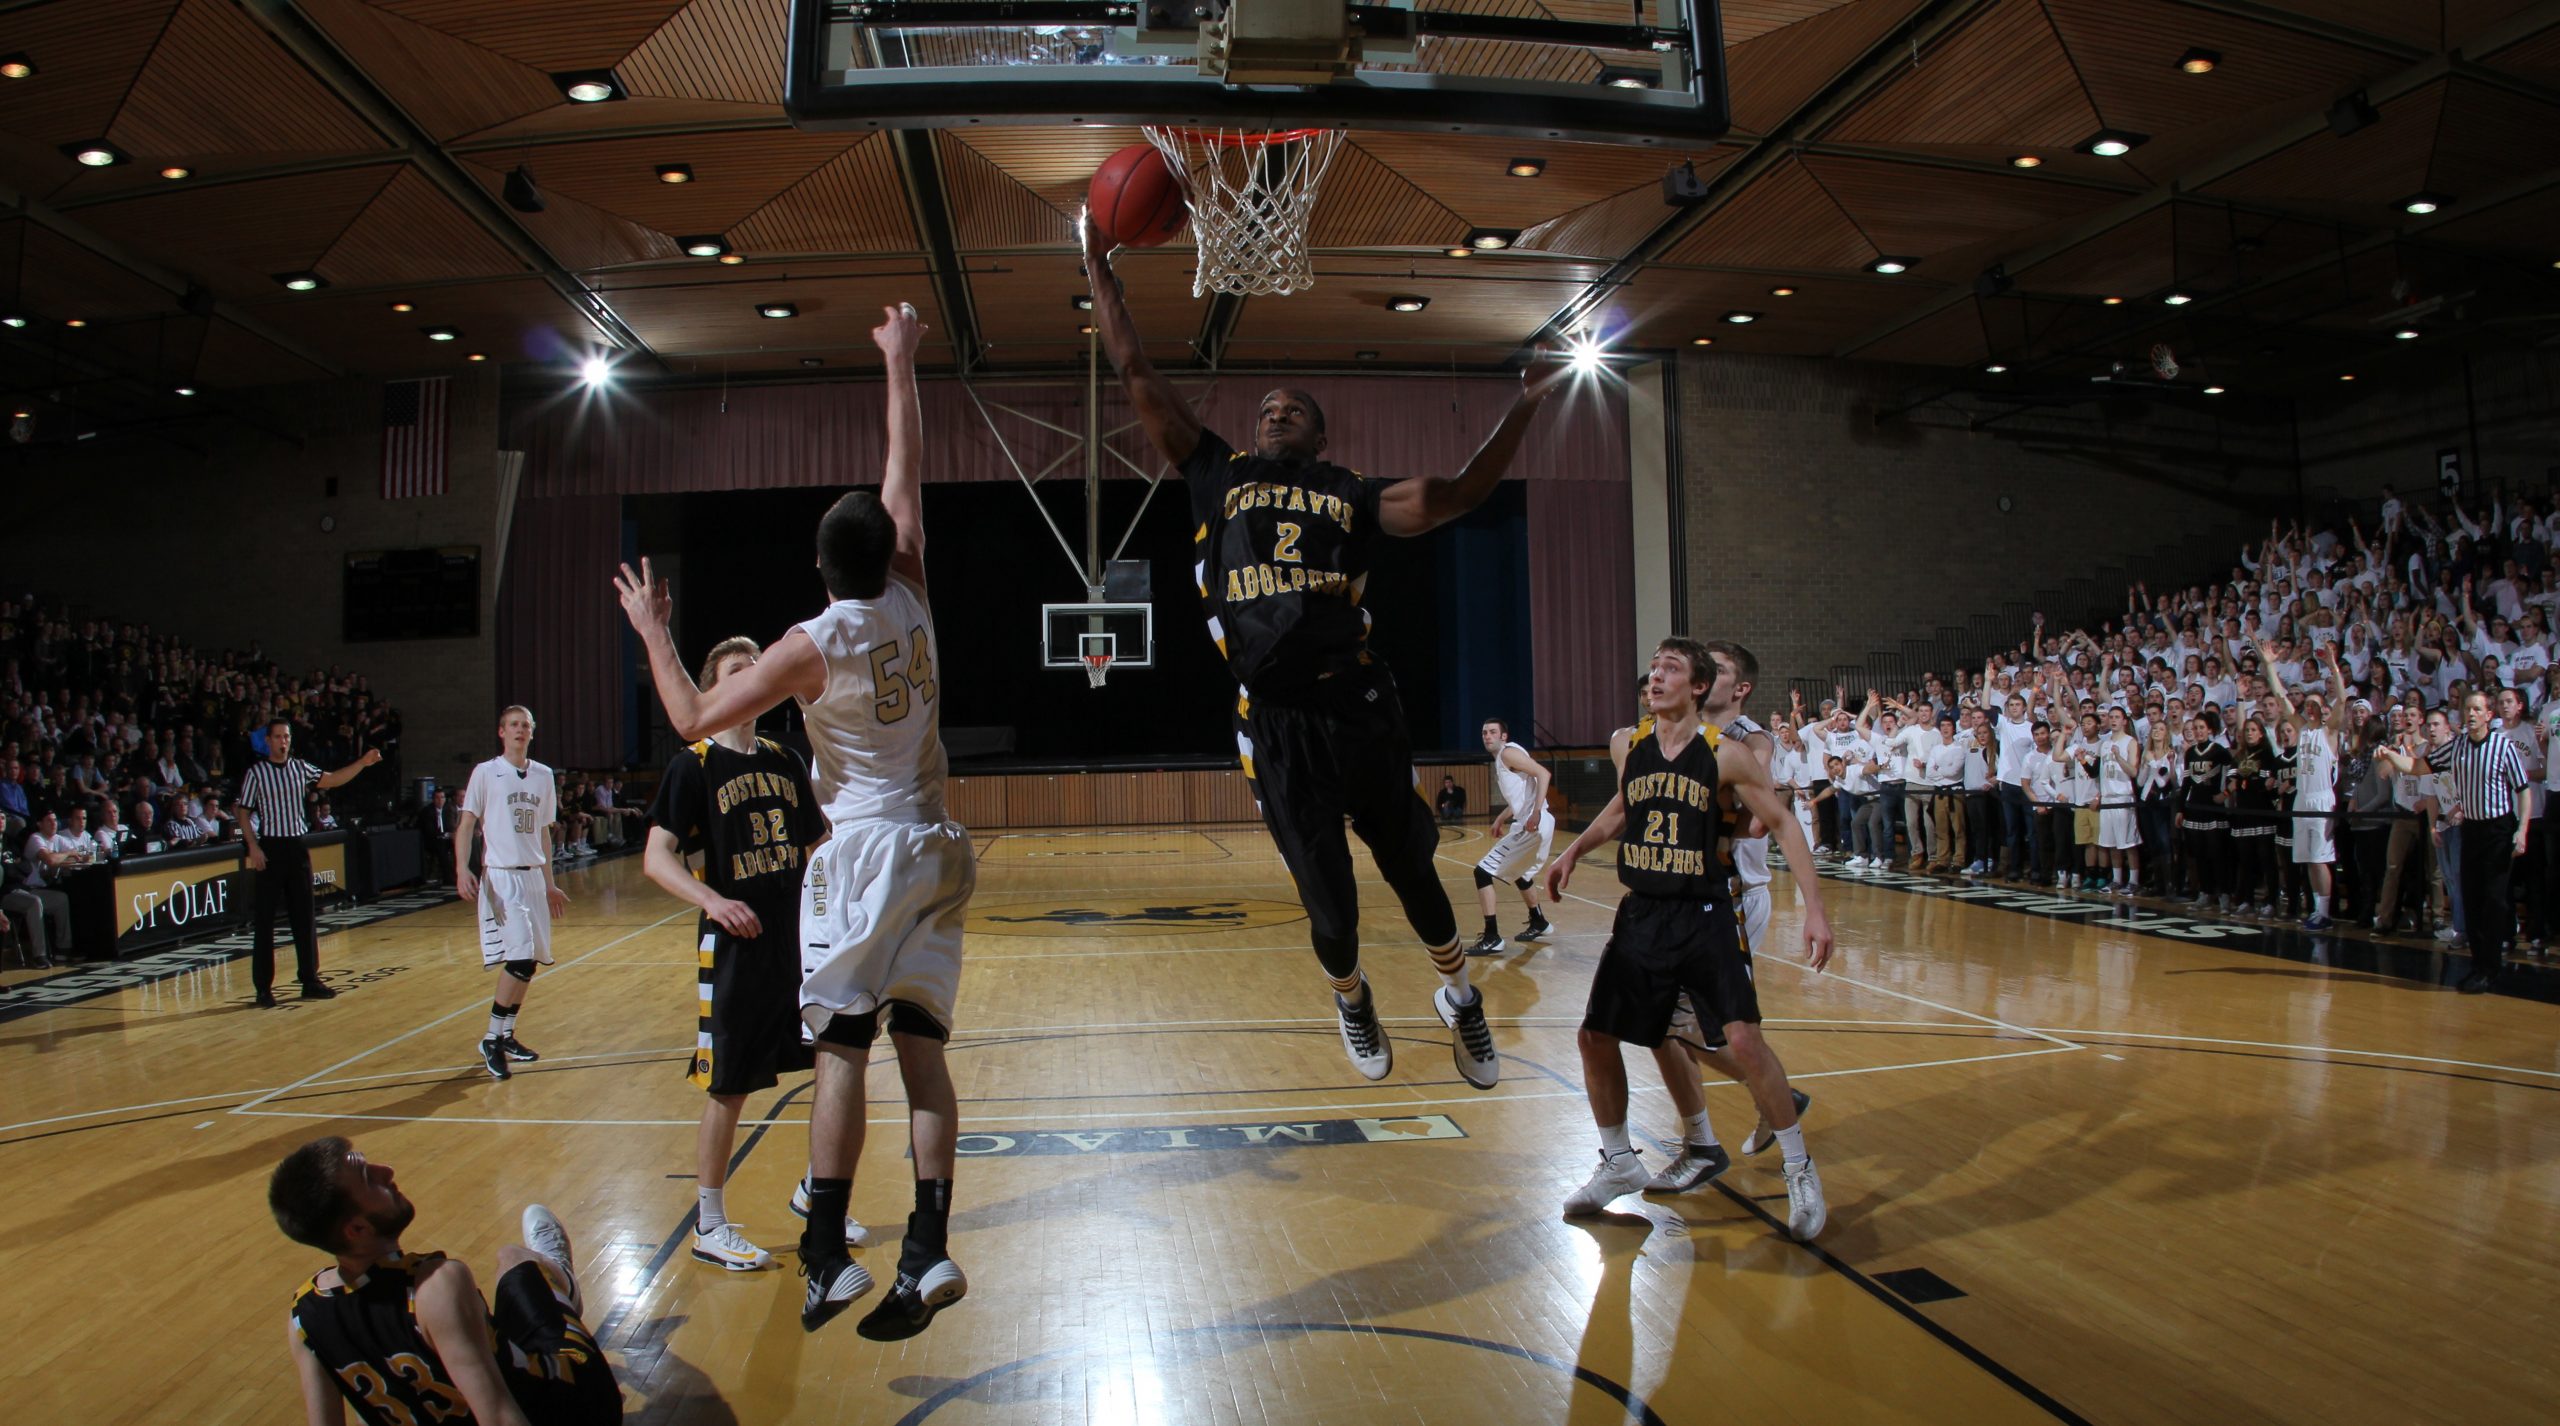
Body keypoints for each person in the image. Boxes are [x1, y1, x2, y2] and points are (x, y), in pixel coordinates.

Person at [1082, 211, 1566, 1093]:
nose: (1274, 413)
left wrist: (1522, 409)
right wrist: (1096, 265)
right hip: (1277, 722)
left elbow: (1458, 493)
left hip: (1360, 703)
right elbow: (1134, 369)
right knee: (1331, 907)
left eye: (1293, 409)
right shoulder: (1216, 474)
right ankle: (1351, 994)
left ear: (1320, 435)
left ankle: (1460, 997)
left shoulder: (1352, 495)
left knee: (1413, 870)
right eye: (1266, 407)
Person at [617, 303, 970, 1339]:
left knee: (842, 1054)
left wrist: (651, 632)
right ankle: (928, 1244)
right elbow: (906, 466)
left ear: (820, 569)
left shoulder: (810, 643)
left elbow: (687, 717)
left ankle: (822, 1256)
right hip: (942, 842)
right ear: (887, 547)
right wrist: (902, 360)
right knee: (925, 1051)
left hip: (862, 848)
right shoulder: (912, 581)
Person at [1547, 637, 1835, 1239]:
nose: (1655, 677)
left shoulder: (1726, 755)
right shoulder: (1631, 744)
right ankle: (1619, 1161)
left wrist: (1815, 909)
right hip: (1641, 914)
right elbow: (1624, 808)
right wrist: (1574, 849)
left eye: (1670, 669)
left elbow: (1780, 823)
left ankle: (1800, 1170)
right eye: (1653, 668)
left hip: (1705, 912)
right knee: (1596, 1037)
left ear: (1698, 687)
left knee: (1744, 1043)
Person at [640, 635, 830, 1274]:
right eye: (736, 671)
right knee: (728, 1088)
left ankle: (816, 1195)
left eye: (757, 668)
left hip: (793, 942)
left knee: (832, 1063)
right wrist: (712, 900)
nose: (752, 676)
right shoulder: (692, 764)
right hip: (734, 949)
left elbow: (812, 842)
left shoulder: (783, 758)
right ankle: (709, 1222)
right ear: (713, 688)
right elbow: (655, 856)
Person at [269, 1137, 621, 1426]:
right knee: (514, 1259)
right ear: (358, 1229)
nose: (386, 1171)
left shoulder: (303, 1316)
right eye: (367, 1178)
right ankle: (558, 1277)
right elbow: (499, 1418)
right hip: (574, 1405)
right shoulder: (435, 1284)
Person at [235, 718, 383, 1006]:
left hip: (297, 846)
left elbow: (333, 779)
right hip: (270, 847)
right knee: (265, 920)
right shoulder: (257, 773)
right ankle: (263, 987)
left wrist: (362, 763)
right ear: (268, 741)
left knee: (304, 916)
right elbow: (242, 813)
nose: (283, 741)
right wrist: (252, 846)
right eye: (277, 737)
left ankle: (309, 979)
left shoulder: (300, 767)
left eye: (286, 737)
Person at [455, 708, 569, 1079]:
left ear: (532, 733)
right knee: (519, 956)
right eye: (514, 725)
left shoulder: (543, 775)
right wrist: (462, 868)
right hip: (501, 877)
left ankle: (506, 1035)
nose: (520, 731)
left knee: (530, 962)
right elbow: (466, 824)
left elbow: (544, 833)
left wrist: (550, 882)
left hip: (534, 876)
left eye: (526, 726)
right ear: (501, 732)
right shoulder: (486, 773)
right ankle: (490, 1037)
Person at [2425, 689, 2530, 992]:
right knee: (2470, 898)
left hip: (2498, 829)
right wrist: (2392, 756)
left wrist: (2521, 830)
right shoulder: (2456, 747)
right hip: (2470, 827)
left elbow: (2523, 789)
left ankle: (2490, 967)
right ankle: (2478, 965)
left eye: (2476, 709)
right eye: (2466, 709)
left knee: (2493, 900)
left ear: (2488, 715)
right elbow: (2422, 766)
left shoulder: (2503, 747)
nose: (2469, 714)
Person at [2262, 640, 2348, 928]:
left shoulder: (2330, 731)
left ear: (2324, 710)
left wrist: (2333, 666)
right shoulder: (2302, 730)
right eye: (2308, 705)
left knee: (2321, 858)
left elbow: (2344, 699)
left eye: (2316, 705)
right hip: (2302, 798)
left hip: (2322, 799)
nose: (2310, 709)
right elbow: (2278, 694)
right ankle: (2316, 909)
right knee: (2309, 858)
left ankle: (2324, 912)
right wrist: (2270, 664)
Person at [1465, 719, 1555, 955]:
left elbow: (1543, 774)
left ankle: (1492, 937)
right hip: (1533, 822)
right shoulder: (1506, 756)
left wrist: (1535, 813)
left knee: (1482, 871)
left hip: (1535, 823)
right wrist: (1501, 818)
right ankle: (1538, 922)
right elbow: (1524, 794)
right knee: (1519, 873)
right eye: (1484, 732)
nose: (1487, 736)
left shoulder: (1508, 754)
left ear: (1503, 736)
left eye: (1493, 732)